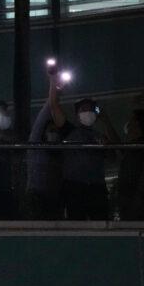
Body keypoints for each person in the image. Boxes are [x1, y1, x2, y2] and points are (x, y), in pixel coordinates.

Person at [47, 72, 119, 220]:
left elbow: (116, 150)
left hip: (97, 187)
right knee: (76, 224)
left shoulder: (100, 135)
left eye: (90, 110)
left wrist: (106, 120)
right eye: (83, 110)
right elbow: (54, 106)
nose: (87, 112)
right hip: (74, 187)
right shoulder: (69, 131)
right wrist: (53, 81)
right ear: (77, 115)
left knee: (101, 224)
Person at [24, 101, 64, 220]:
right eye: (51, 131)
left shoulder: (60, 153)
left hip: (55, 197)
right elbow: (40, 122)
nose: (54, 134)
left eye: (56, 131)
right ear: (44, 133)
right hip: (36, 196)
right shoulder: (36, 147)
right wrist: (53, 94)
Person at [117, 108, 144, 220]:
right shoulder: (134, 146)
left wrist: (138, 196)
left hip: (136, 200)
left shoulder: (143, 146)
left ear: (137, 123)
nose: (128, 123)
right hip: (131, 198)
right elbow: (118, 147)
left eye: (131, 119)